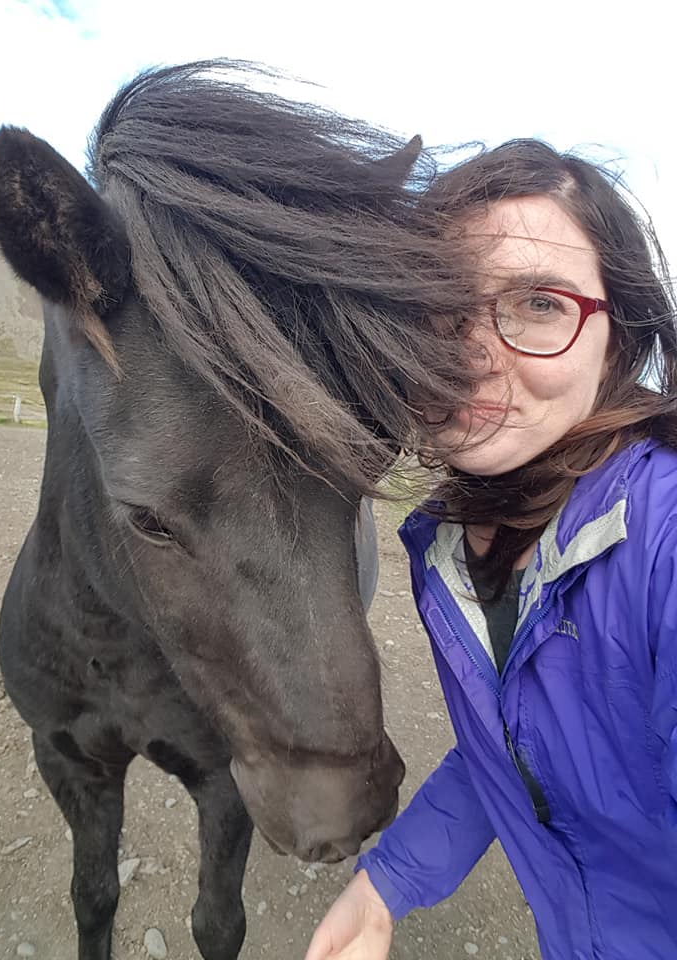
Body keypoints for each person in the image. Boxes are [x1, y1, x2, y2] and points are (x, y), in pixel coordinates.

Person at [304, 139, 677, 960]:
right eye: (438, 308)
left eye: (539, 303)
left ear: (620, 338)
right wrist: (384, 887)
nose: (471, 356)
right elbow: (516, 746)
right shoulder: (445, 542)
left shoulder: (663, 532)